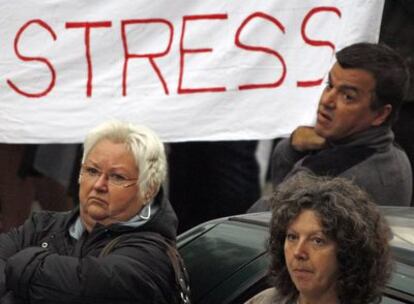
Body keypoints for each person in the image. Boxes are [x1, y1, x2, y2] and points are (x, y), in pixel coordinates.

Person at [0, 121, 181, 303]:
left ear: (149, 189)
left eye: (117, 177)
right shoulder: (42, 225)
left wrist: (20, 265)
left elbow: (82, 288)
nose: (98, 185)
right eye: (92, 171)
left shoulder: (151, 256)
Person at [249, 42, 412, 212]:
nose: (327, 100)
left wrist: (291, 150)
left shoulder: (323, 175)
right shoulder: (397, 156)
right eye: (330, 85)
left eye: (347, 96)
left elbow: (255, 221)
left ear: (380, 114)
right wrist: (293, 146)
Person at [246, 173, 392, 304]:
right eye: (292, 237)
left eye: (317, 241)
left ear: (347, 253)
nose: (298, 252)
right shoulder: (265, 301)